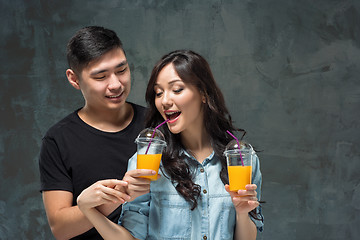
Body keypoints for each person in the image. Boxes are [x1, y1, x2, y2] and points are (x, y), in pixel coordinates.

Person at [77, 50, 264, 240]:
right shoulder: (147, 163)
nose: (165, 101)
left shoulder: (240, 159)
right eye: (158, 93)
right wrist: (89, 211)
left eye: (176, 90)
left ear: (203, 94)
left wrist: (242, 213)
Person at [39, 26, 154, 240]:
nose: (116, 84)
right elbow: (61, 228)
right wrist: (120, 195)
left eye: (122, 70)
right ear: (74, 79)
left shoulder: (157, 126)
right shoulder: (58, 140)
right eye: (101, 76)